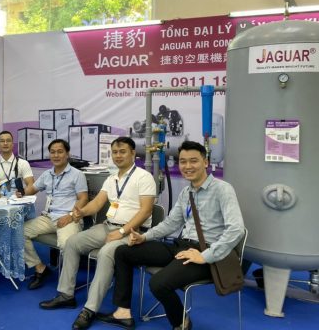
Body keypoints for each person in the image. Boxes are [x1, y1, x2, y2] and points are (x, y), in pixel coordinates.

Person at [99, 141, 245, 330]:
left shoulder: (222, 189)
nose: (187, 166)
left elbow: (236, 229)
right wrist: (144, 237)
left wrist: (204, 256)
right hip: (181, 247)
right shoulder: (186, 192)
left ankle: (181, 323)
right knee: (123, 252)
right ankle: (123, 312)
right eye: (183, 162)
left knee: (158, 283)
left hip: (207, 254)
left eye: (193, 161)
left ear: (205, 162)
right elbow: (171, 223)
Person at [38, 137, 157, 330]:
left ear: (133, 153)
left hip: (133, 232)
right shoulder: (111, 178)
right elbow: (96, 204)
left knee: (105, 253)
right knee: (72, 242)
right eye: (115, 152)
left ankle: (89, 309)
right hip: (108, 226)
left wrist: (122, 231)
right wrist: (80, 213)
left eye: (123, 151)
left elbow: (146, 211)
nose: (118, 156)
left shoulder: (144, 177)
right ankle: (66, 295)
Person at [21, 139, 89, 290]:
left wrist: (70, 215)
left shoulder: (77, 174)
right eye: (52, 152)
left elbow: (83, 198)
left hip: (69, 218)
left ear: (67, 154)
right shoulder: (47, 174)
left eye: (60, 152)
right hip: (49, 218)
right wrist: (20, 193)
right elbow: (31, 190)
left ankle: (66, 287)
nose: (56, 155)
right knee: (18, 232)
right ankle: (40, 268)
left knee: (67, 245)